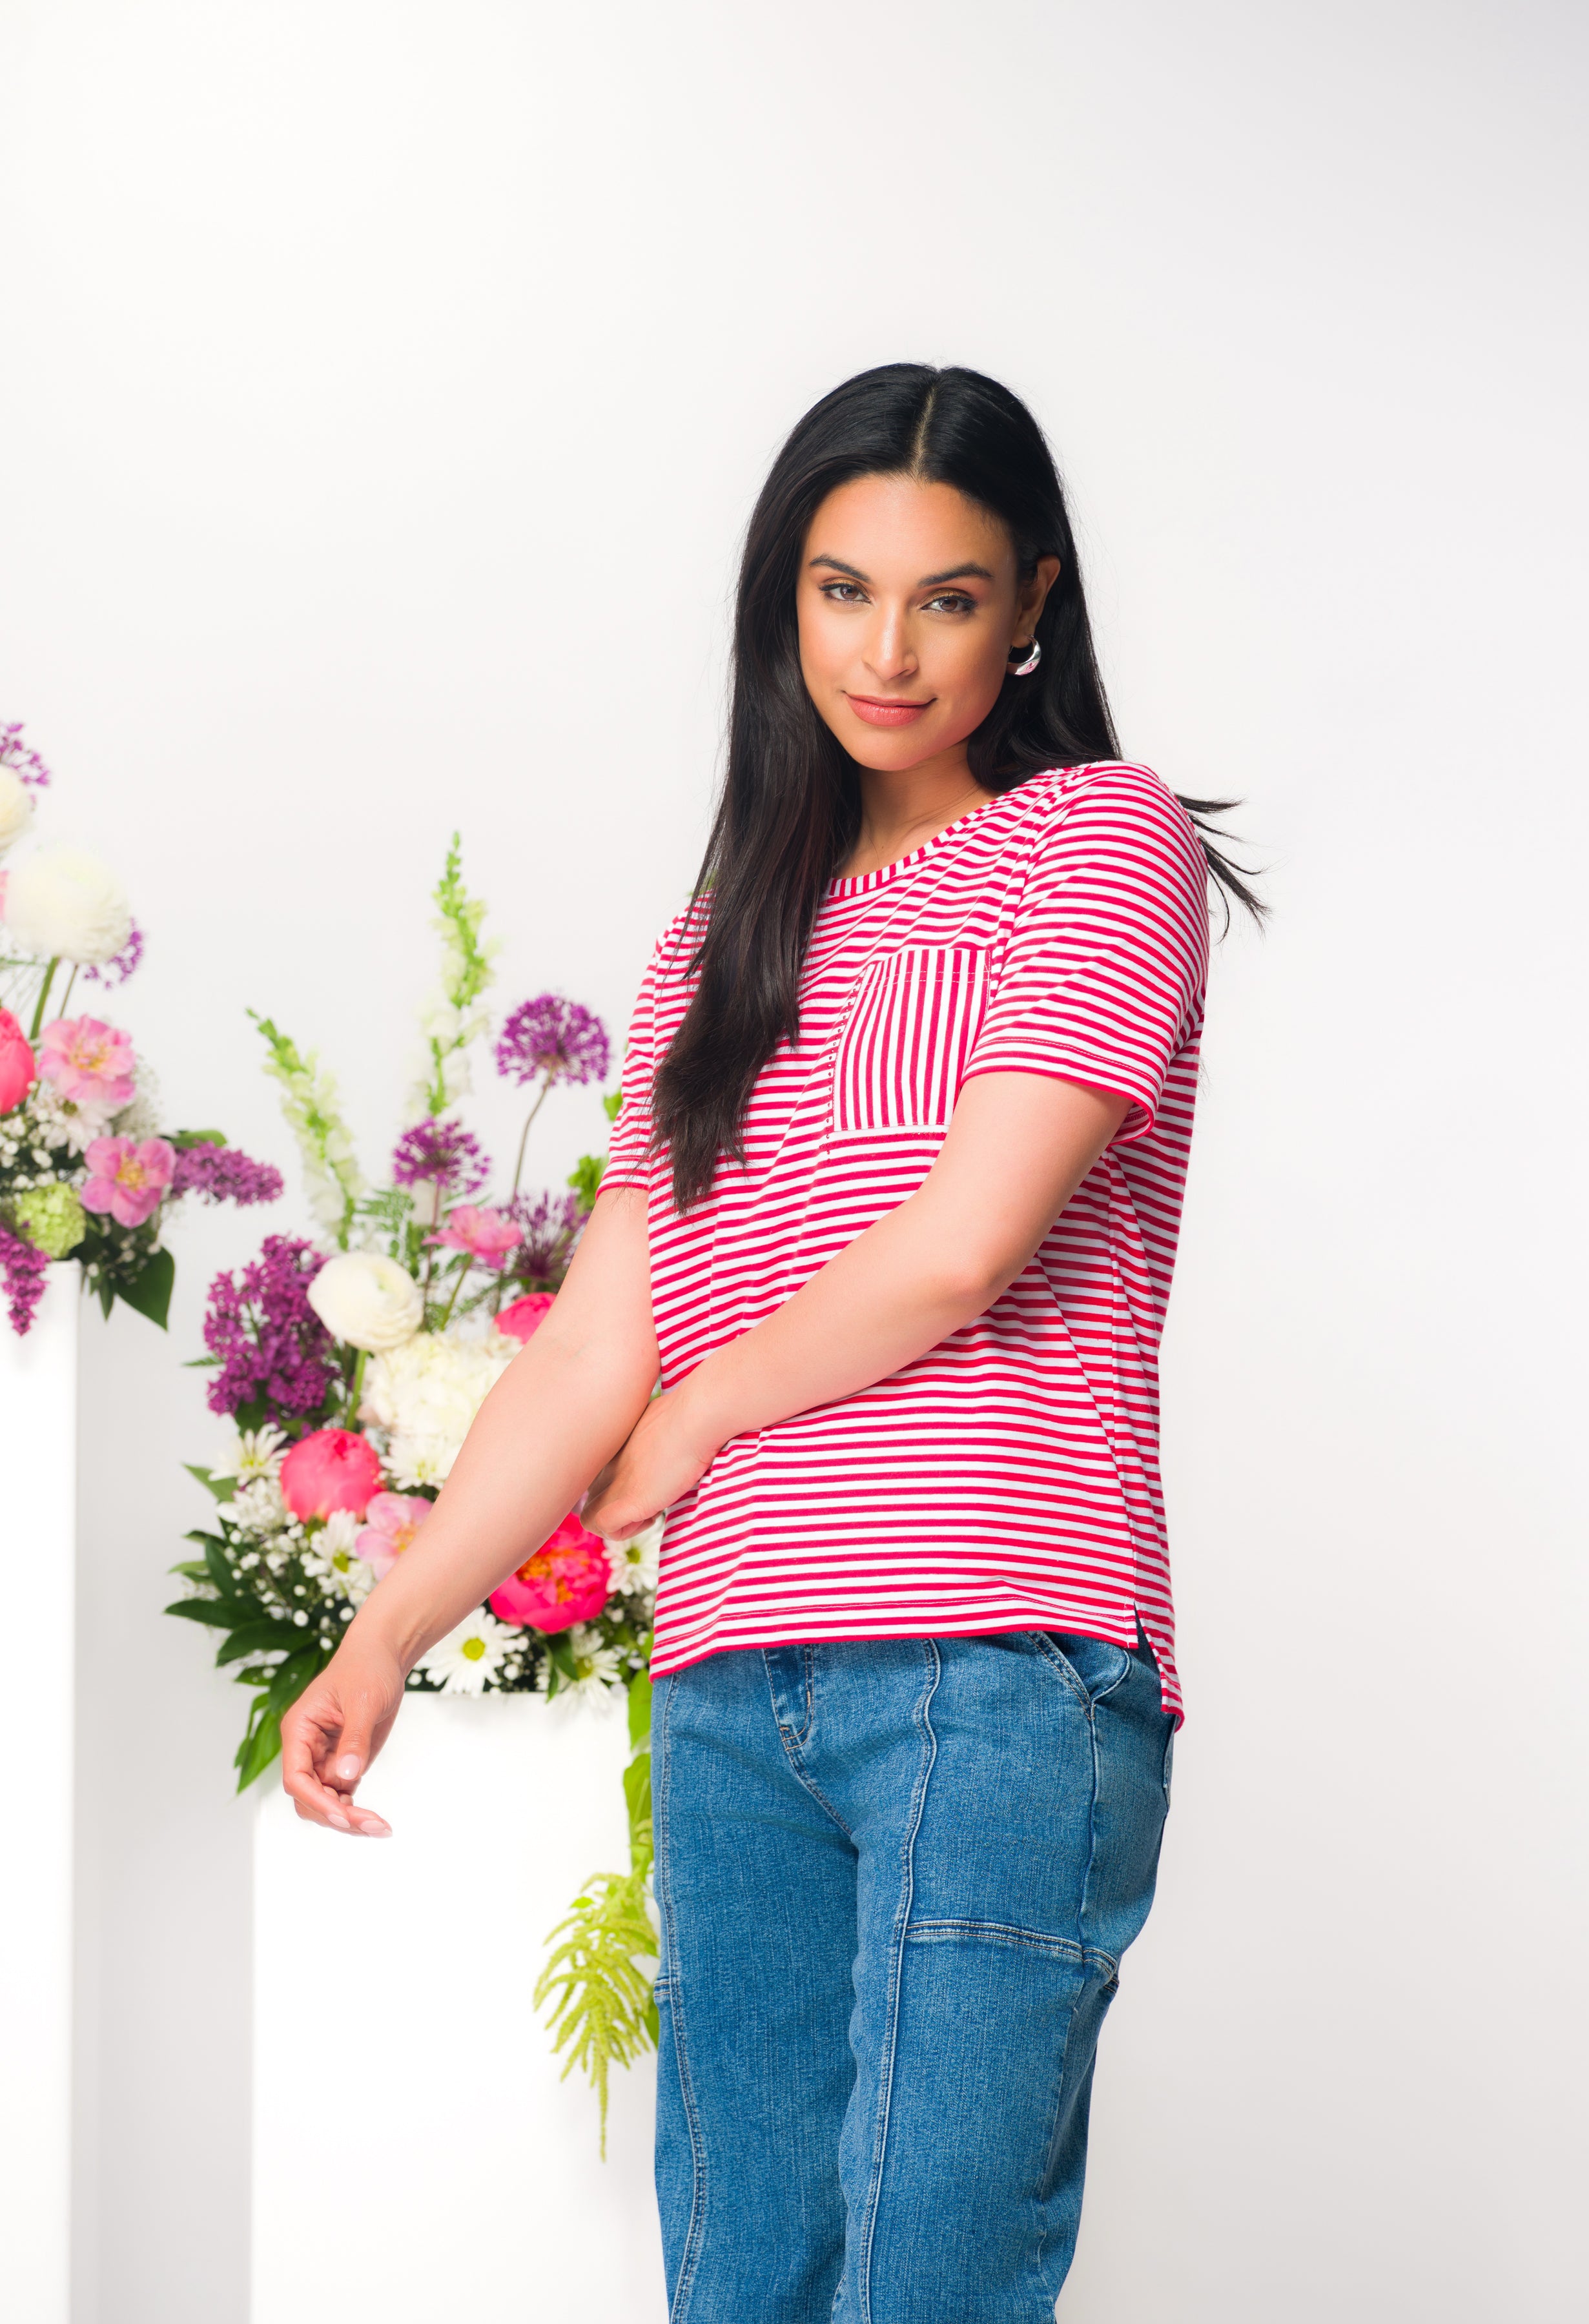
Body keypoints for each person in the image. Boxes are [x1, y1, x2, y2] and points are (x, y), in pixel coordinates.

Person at [282, 362, 1258, 2323]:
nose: (885, 649)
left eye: (947, 596)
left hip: (993, 1657)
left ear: (1032, 603)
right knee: (743, 2289)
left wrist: (709, 1405)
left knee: (926, 2289)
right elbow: (587, 1351)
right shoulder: (720, 932)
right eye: (839, 590)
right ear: (778, 601)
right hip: (735, 1682)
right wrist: (384, 1633)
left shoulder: (1097, 840)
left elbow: (964, 1247)